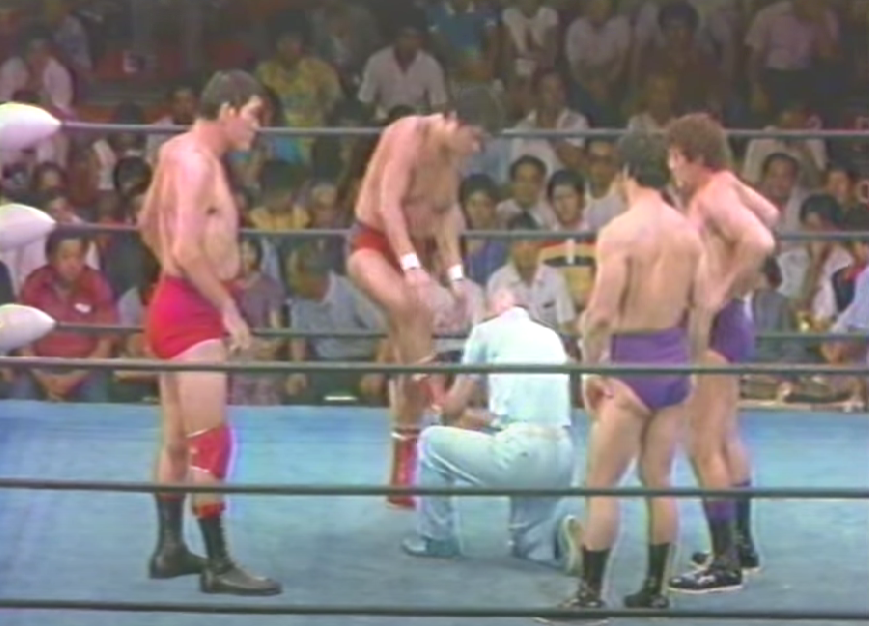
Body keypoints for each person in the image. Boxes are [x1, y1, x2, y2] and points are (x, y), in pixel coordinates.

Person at [545, 131, 711, 621]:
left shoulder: (621, 232)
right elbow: (701, 309)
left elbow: (599, 314)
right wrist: (691, 366)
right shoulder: (687, 233)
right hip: (673, 359)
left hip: (631, 362)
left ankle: (590, 595)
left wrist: (591, 368)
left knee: (601, 484)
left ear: (625, 173)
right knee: (659, 480)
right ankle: (655, 591)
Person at [137, 70, 281, 596]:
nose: (257, 128)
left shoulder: (175, 150)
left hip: (174, 304)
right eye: (253, 115)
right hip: (192, 313)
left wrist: (174, 282)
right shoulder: (198, 163)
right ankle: (218, 564)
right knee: (211, 441)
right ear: (227, 110)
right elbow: (184, 249)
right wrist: (226, 307)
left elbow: (146, 224)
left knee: (177, 441)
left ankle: (169, 549)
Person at [347, 112, 485, 509]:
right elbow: (388, 204)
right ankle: (442, 404)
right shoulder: (409, 135)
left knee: (411, 357)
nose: (476, 149)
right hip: (371, 244)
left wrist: (456, 275)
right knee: (413, 312)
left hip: (419, 249)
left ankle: (401, 476)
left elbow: (445, 215)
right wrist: (410, 265)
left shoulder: (452, 159)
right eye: (474, 137)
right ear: (455, 121)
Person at [666, 113, 778, 593]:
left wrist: (721, 291)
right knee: (726, 436)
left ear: (691, 157)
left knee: (703, 443)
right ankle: (740, 545)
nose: (671, 168)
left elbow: (760, 238)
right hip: (731, 323)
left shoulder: (712, 194)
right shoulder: (727, 185)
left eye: (674, 158)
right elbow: (769, 214)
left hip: (717, 326)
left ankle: (725, 561)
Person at [400, 287, 578, 570]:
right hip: (562, 456)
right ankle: (552, 545)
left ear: (491, 309)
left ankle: (435, 539)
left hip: (521, 452)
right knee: (530, 548)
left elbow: (452, 408)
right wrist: (474, 417)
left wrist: (433, 392)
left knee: (432, 442)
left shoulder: (485, 331)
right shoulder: (549, 336)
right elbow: (512, 415)